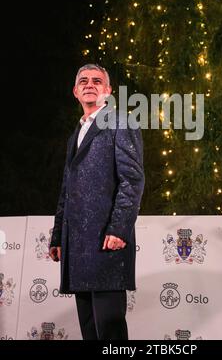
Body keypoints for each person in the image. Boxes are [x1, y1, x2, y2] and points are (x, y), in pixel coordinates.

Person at [49, 64, 145, 340]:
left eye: (97, 80)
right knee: (90, 331)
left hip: (106, 243)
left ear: (108, 91)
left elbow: (132, 180)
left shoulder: (121, 122)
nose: (90, 84)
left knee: (110, 332)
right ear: (75, 91)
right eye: (83, 81)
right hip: (77, 248)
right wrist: (58, 237)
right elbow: (67, 190)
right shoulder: (74, 136)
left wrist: (118, 229)